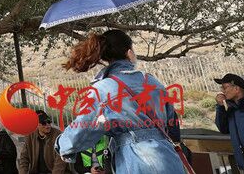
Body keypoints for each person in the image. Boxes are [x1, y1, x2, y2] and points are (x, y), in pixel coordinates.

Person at [56, 29, 183, 174]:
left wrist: (61, 144)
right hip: (169, 159)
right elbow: (172, 124)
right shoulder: (152, 81)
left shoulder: (102, 89)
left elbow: (82, 129)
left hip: (135, 162)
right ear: (129, 53)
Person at [215, 72, 244, 173]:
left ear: (236, 88)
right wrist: (220, 107)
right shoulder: (230, 109)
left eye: (225, 88)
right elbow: (223, 129)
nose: (222, 91)